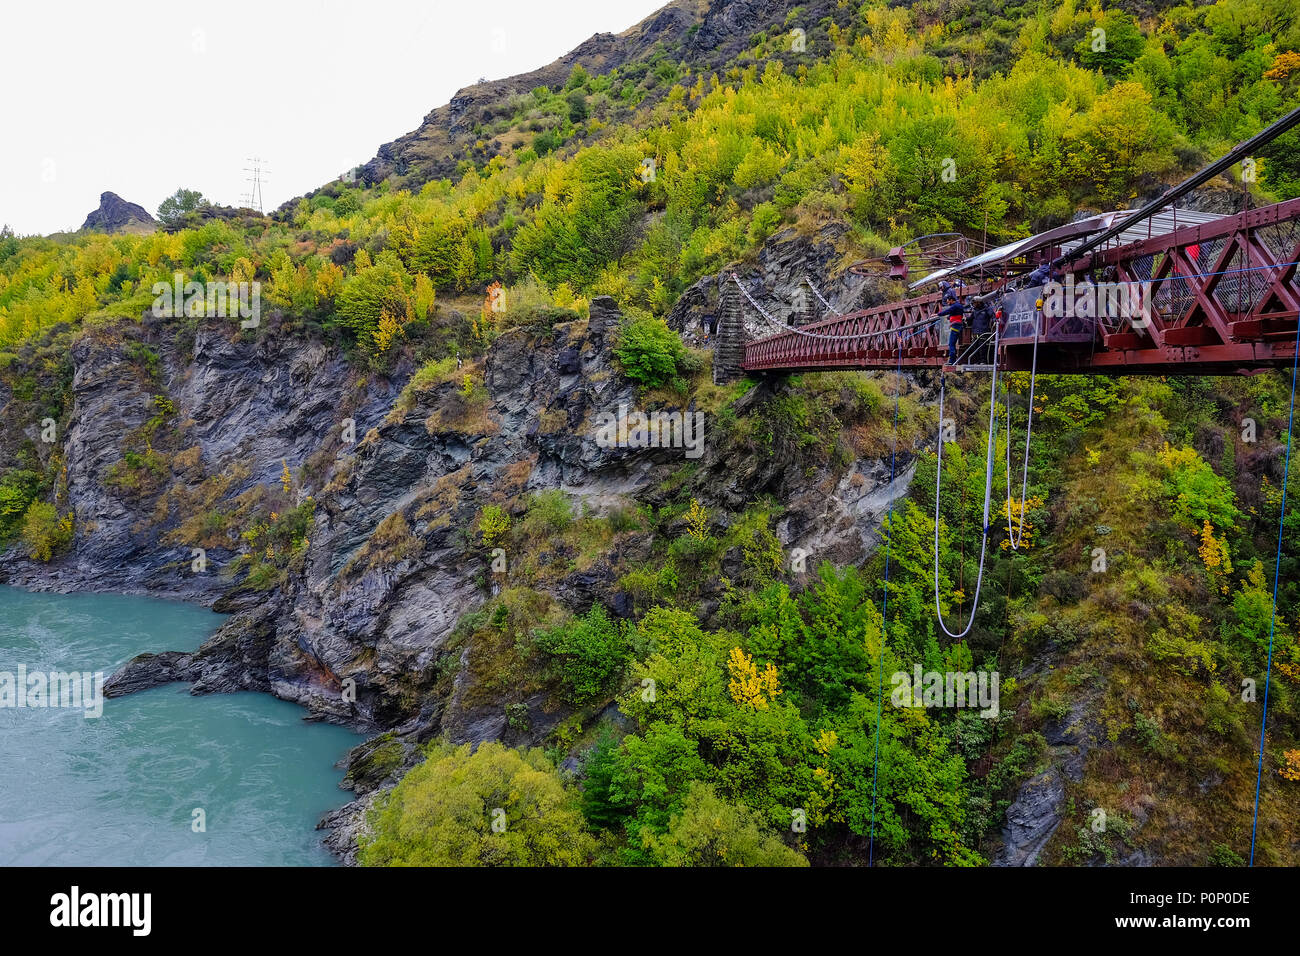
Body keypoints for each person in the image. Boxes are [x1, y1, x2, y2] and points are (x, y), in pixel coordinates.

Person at [939, 296, 966, 365]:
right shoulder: (959, 306)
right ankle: (953, 359)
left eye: (948, 301)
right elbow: (956, 313)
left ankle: (952, 360)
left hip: (955, 326)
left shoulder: (954, 306)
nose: (947, 302)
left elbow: (947, 311)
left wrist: (938, 314)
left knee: (951, 344)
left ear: (951, 300)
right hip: (958, 325)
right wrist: (950, 316)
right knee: (952, 343)